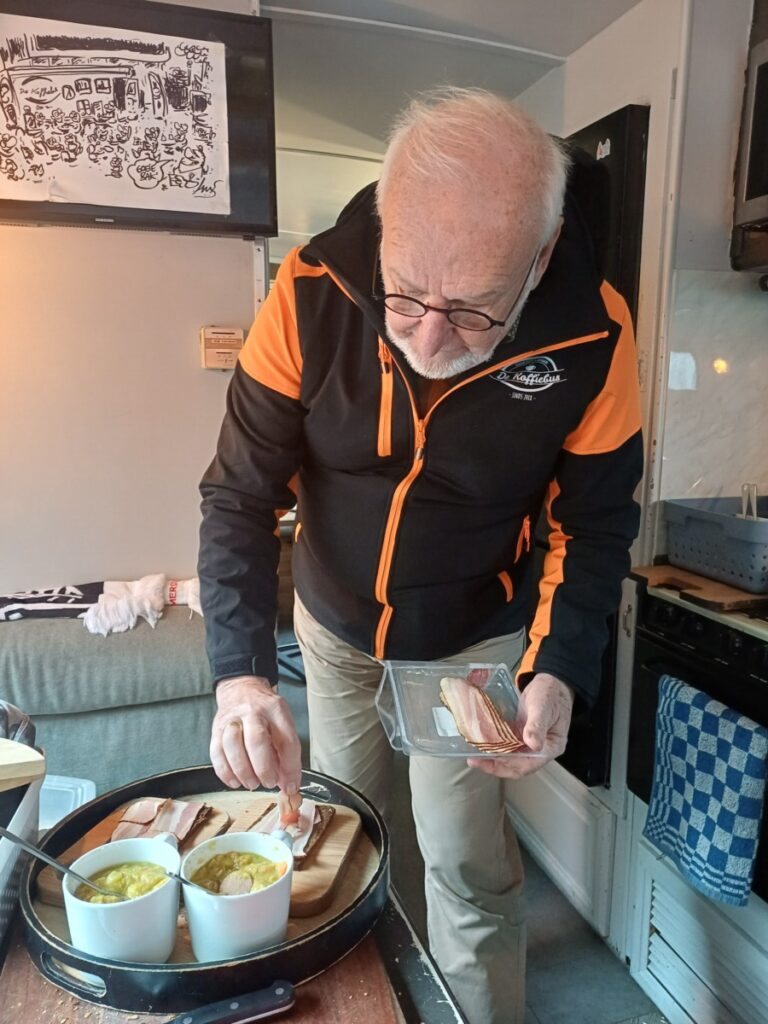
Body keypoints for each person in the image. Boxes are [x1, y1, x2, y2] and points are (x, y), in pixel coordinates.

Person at [198, 87, 643, 1024]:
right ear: (385, 225)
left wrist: (558, 670)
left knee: (465, 861)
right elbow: (239, 494)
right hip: (334, 628)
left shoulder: (597, 334)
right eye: (405, 295)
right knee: (346, 843)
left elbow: (594, 524)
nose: (429, 338)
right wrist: (240, 675)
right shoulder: (308, 290)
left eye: (475, 310)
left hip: (469, 646)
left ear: (539, 258)